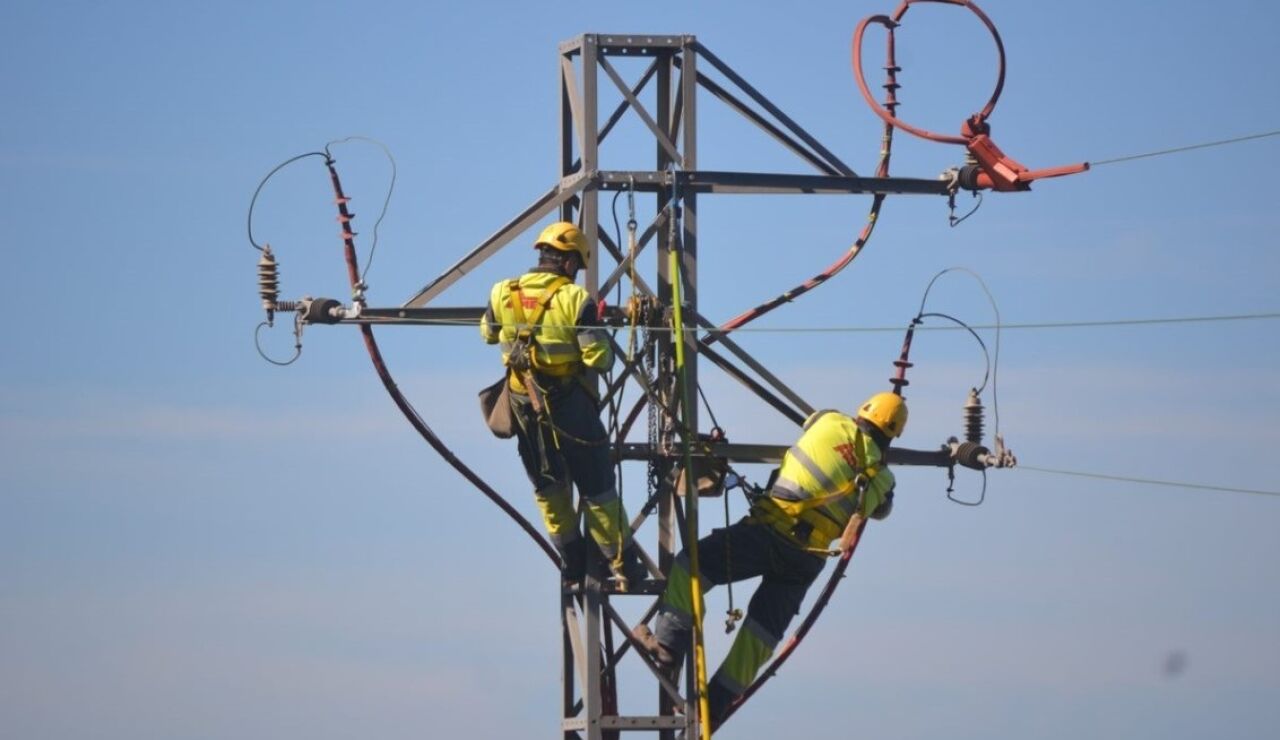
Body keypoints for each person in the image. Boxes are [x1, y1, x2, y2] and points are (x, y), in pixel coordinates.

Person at [633, 391, 907, 725]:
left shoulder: (831, 421)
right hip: (806, 562)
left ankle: (668, 647)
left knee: (692, 566)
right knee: (760, 636)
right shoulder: (882, 479)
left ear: (861, 412)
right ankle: (713, 706)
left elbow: (811, 423)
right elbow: (881, 510)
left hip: (771, 532)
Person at [481, 221, 645, 588]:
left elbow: (488, 334)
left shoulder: (502, 292)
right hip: (568, 407)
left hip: (524, 405)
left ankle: (571, 560)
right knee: (597, 485)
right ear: (570, 262)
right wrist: (596, 326)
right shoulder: (575, 300)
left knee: (548, 485)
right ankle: (620, 562)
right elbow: (599, 360)